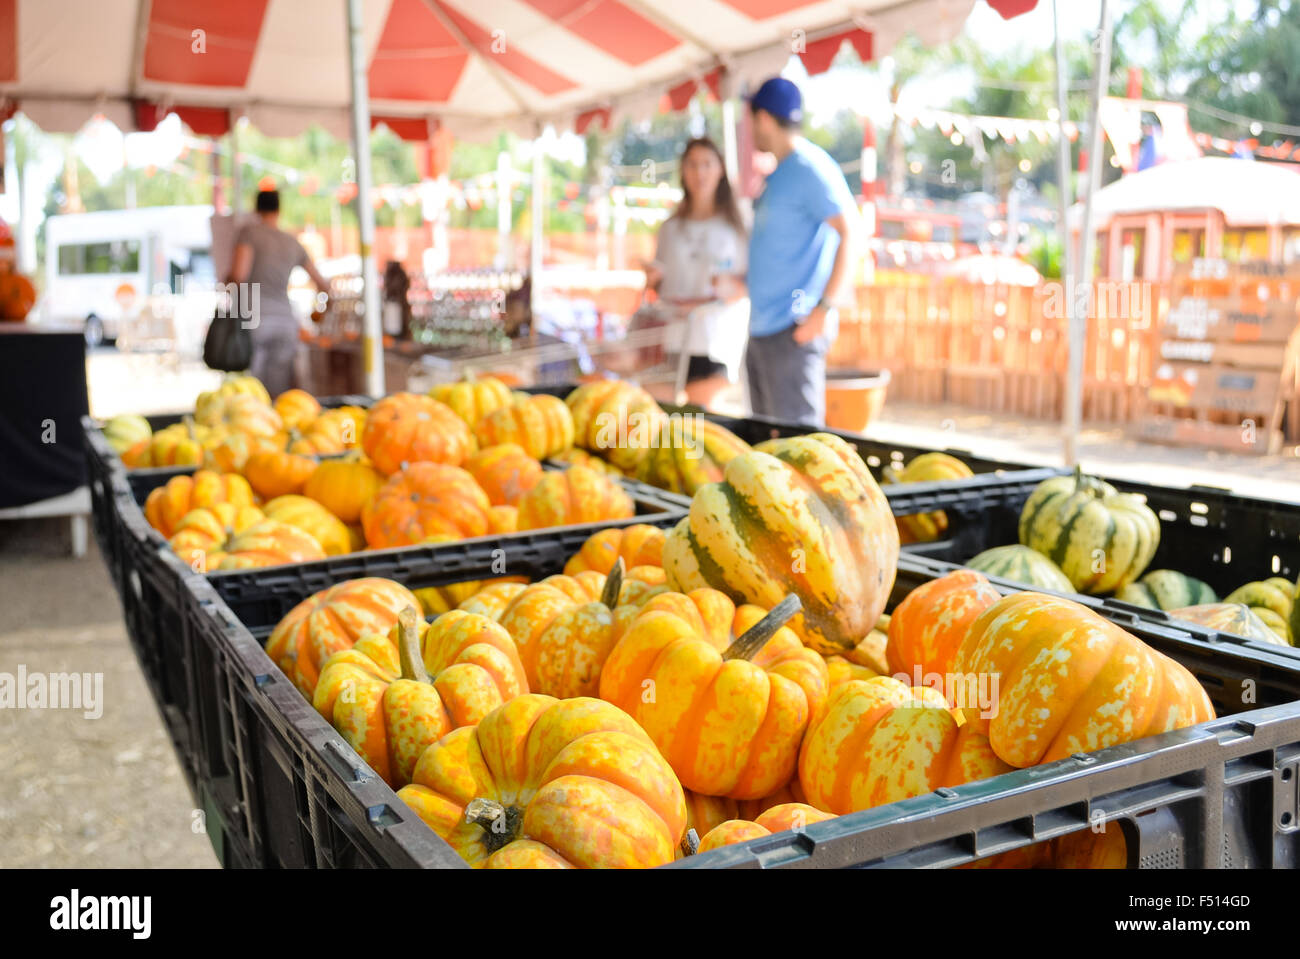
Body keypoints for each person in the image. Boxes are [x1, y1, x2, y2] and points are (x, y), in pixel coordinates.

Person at [745, 77, 858, 425]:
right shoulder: (780, 174)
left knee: (801, 449)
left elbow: (852, 233)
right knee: (767, 450)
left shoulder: (811, 167)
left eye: (751, 120)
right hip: (764, 330)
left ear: (763, 118)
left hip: (792, 331)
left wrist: (823, 309)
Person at [643, 137, 749, 408]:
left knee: (702, 423)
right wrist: (653, 280)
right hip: (672, 341)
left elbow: (747, 285)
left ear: (720, 169)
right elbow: (658, 287)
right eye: (692, 164)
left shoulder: (737, 227)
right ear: (682, 170)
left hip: (714, 341)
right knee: (662, 422)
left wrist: (706, 300)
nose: (699, 172)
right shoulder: (670, 229)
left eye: (706, 164)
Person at [227, 189, 329, 397]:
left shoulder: (249, 234)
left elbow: (238, 275)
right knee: (278, 392)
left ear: (256, 208)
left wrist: (226, 281)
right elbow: (323, 286)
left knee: (251, 391)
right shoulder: (292, 242)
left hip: (254, 319)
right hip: (285, 323)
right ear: (279, 209)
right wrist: (320, 313)